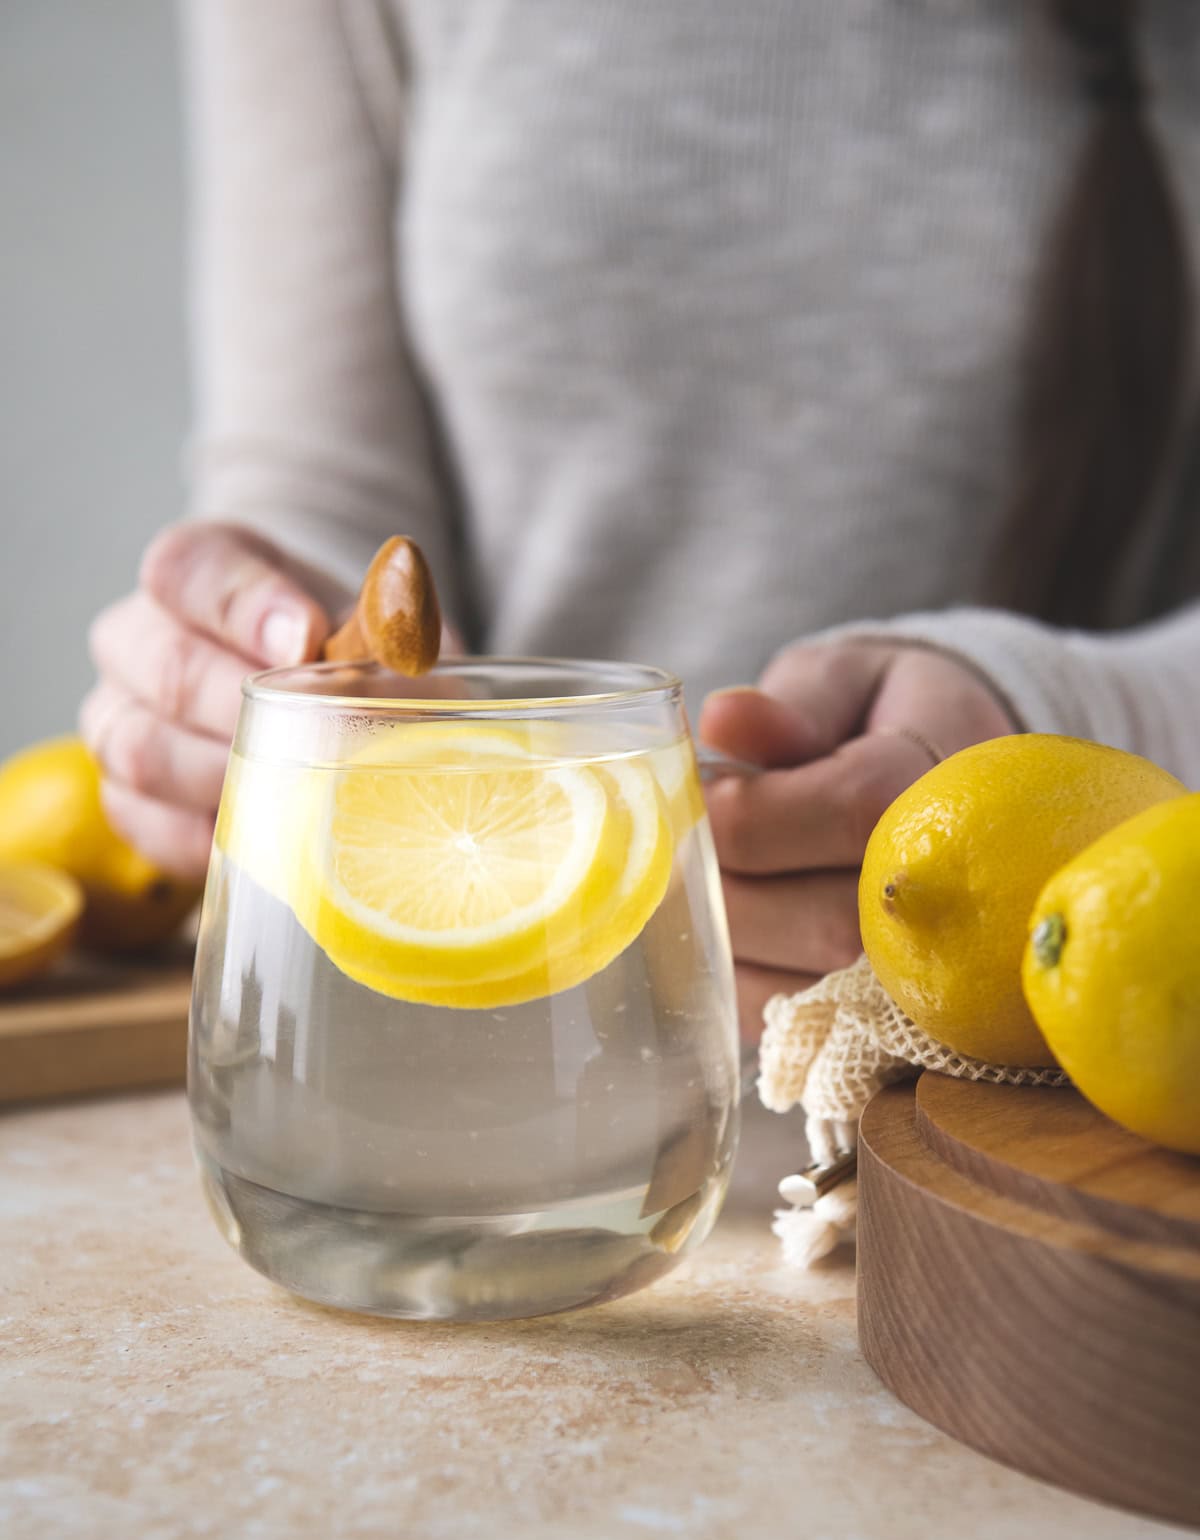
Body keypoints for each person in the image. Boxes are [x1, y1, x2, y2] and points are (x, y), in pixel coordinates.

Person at [82, 1, 1200, 1040]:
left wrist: (1076, 721)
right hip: (485, 1059)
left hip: (1079, 1081)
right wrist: (253, 650)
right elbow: (320, 483)